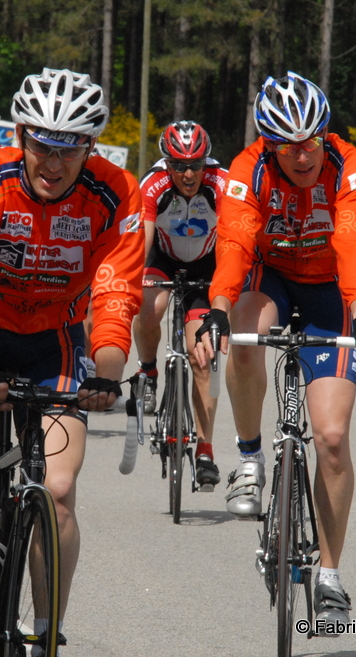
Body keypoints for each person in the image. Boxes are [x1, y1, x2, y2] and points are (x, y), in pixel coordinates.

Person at [0, 68, 143, 642]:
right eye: (42, 145)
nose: (54, 164)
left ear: (91, 147)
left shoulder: (117, 193)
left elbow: (116, 291)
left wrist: (108, 376)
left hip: (54, 338)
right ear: (21, 135)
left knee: (59, 492)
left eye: (70, 149)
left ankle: (45, 632)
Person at [194, 72, 356, 630]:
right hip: (273, 278)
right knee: (243, 330)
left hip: (330, 287)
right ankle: (251, 457)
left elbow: (351, 241)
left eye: (311, 140)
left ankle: (330, 573)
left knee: (331, 439)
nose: (302, 155)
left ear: (324, 133)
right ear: (268, 142)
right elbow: (235, 244)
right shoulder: (248, 169)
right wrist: (216, 305)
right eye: (288, 145)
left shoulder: (348, 163)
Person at [132, 120, 228, 489]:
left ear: (206, 161)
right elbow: (143, 239)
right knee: (149, 306)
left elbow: (235, 235)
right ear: (166, 163)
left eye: (195, 164)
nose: (188, 174)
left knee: (202, 354)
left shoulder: (221, 182)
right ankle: (149, 371)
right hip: (164, 258)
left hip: (206, 263)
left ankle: (205, 449)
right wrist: (134, 278)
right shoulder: (153, 184)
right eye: (178, 165)